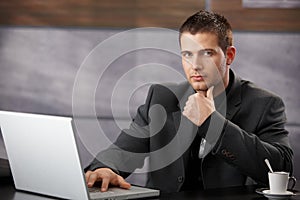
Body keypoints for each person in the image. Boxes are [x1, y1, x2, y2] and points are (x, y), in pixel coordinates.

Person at [85, 10, 293, 193]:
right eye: (187, 54)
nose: (195, 65)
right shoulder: (161, 97)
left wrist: (212, 123)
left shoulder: (264, 104)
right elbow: (125, 149)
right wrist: (105, 168)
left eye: (206, 54)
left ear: (229, 55)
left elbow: (279, 169)